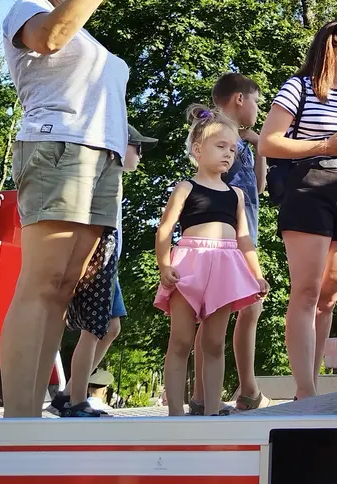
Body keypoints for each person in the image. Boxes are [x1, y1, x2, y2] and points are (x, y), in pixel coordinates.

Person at [0, 0, 132, 417]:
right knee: (41, 282)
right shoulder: (31, 7)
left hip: (101, 161)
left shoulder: (92, 41)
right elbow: (50, 38)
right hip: (58, 148)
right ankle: (17, 423)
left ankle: (30, 415)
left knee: (62, 289)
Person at [258, 19, 337, 400]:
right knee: (307, 291)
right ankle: (305, 391)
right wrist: (324, 146)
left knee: (329, 297)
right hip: (310, 185)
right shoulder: (299, 87)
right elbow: (268, 143)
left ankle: (310, 383)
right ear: (332, 46)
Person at [154, 105, 269, 417]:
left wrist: (256, 275)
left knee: (215, 343)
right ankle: (175, 411)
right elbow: (165, 229)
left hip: (224, 268)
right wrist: (164, 265)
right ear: (197, 149)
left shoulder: (236, 195)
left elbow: (244, 238)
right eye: (220, 146)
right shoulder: (185, 187)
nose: (228, 154)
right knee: (180, 341)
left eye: (232, 148)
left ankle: (213, 409)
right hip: (189, 266)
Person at [51, 123, 157, 417]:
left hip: (110, 263)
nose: (140, 155)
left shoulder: (114, 181)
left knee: (110, 328)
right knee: (93, 330)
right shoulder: (101, 179)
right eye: (138, 148)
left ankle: (70, 392)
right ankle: (76, 402)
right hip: (98, 260)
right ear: (120, 148)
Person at [188, 73, 270, 415]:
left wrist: (259, 145)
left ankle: (220, 392)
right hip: (227, 238)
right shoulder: (220, 138)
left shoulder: (240, 144)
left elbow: (261, 187)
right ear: (239, 99)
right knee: (226, 310)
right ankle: (226, 391)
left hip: (245, 232)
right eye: (256, 102)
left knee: (248, 308)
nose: (257, 110)